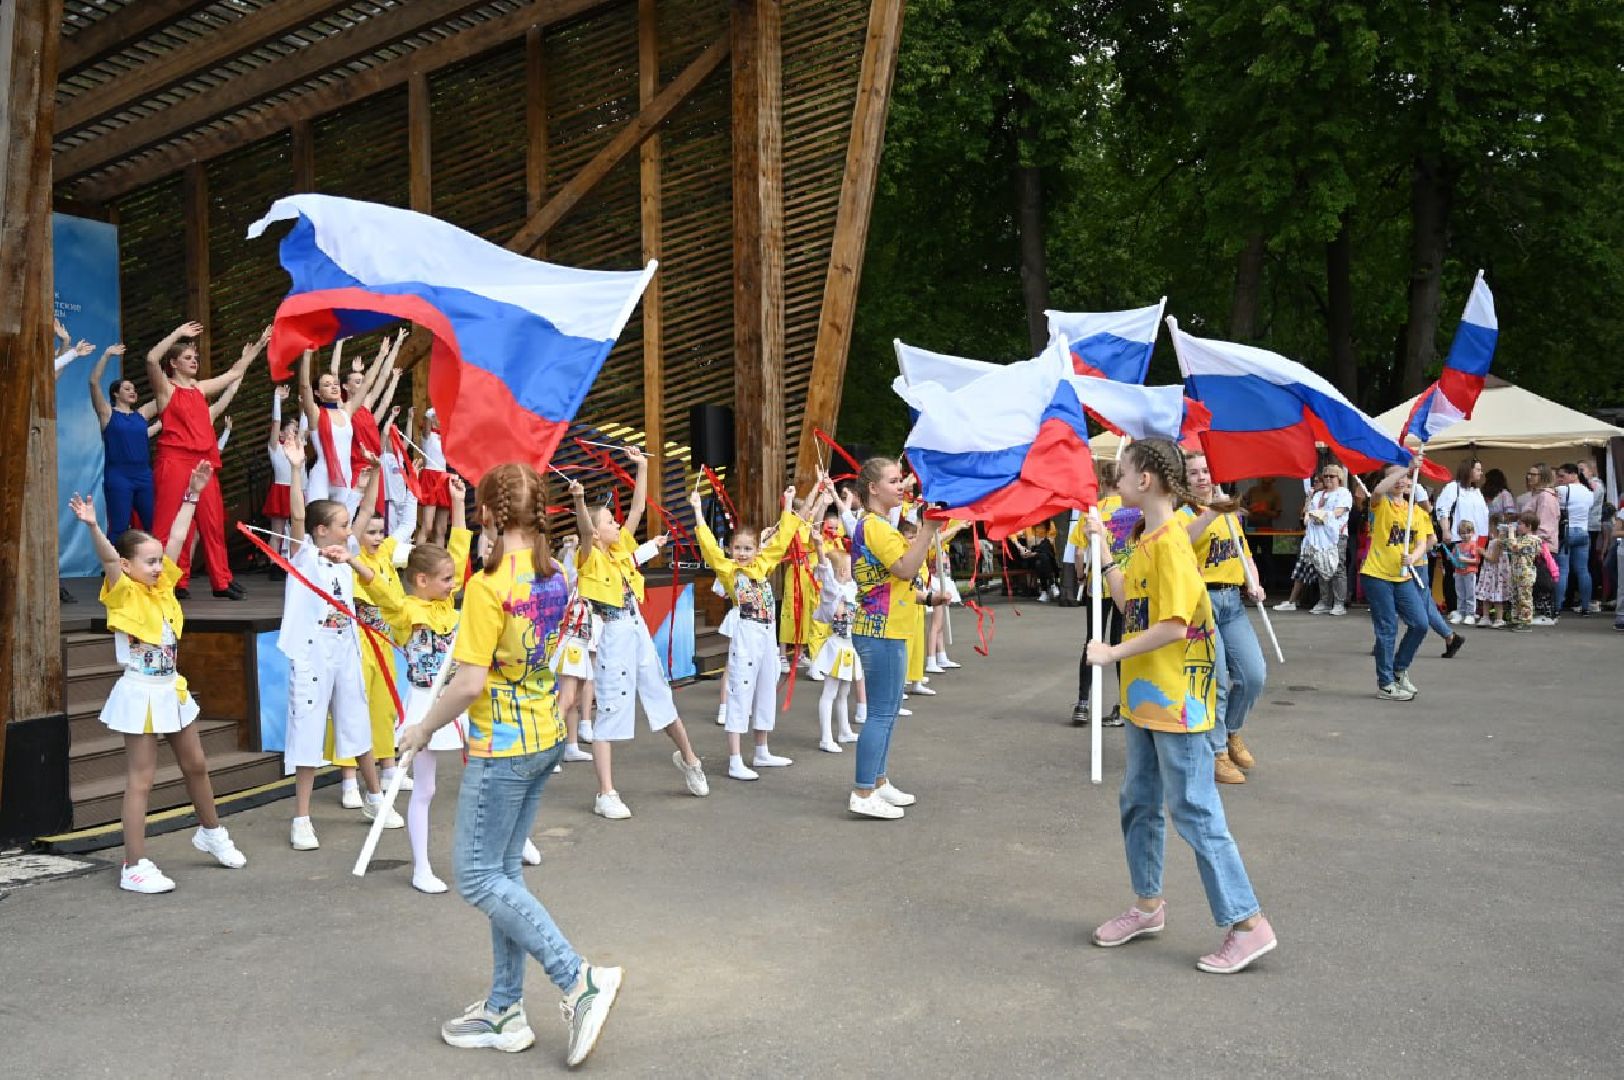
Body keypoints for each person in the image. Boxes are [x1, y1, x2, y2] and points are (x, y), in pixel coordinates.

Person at [395, 463, 622, 1067]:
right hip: (544, 734)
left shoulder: (489, 587)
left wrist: (420, 728)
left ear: (491, 513)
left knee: (476, 876)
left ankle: (577, 978)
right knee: (502, 875)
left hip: (503, 746)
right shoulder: (554, 575)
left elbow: (468, 684)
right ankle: (504, 1008)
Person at [1082, 437, 1275, 975]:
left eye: (1121, 472)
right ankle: (1147, 907)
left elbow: (1173, 626)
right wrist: (1103, 555)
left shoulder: (1169, 544)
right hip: (1146, 699)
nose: (1114, 480)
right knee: (1139, 802)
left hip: (1180, 701)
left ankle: (1248, 923)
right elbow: (1131, 604)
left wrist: (1111, 652)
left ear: (1145, 479)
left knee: (1193, 809)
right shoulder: (1147, 540)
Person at [70, 464, 248, 893]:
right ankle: (134, 865)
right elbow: (109, 559)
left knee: (197, 765)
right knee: (141, 779)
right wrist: (95, 528)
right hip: (140, 692)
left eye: (157, 561)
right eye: (148, 562)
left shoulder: (162, 588)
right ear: (128, 566)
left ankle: (211, 832)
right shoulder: (122, 590)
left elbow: (177, 539)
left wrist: (191, 494)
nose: (157, 566)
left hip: (171, 688)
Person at [571, 447, 709, 819]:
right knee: (611, 712)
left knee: (661, 699)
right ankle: (606, 792)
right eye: (609, 523)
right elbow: (585, 530)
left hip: (638, 632)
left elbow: (636, 511)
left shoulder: (620, 551)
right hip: (613, 635)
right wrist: (580, 500)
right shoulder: (590, 556)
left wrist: (643, 467)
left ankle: (691, 759)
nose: (617, 525)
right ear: (597, 533)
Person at [278, 436, 401, 851]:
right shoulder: (305, 555)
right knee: (308, 733)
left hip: (346, 649)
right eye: (343, 525)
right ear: (320, 531)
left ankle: (374, 797)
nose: (351, 531)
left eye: (350, 525)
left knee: (356, 723)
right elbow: (298, 515)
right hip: (312, 655)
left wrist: (375, 476)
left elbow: (367, 512)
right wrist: (296, 468)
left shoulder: (347, 557)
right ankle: (301, 818)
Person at [690, 481, 815, 779]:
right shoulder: (729, 569)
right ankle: (735, 758)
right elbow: (708, 546)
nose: (743, 553)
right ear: (730, 550)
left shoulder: (762, 564)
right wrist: (697, 510)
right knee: (740, 691)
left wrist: (787, 504)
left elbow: (784, 536)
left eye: (747, 548)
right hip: (745, 633)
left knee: (765, 690)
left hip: (766, 634)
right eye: (738, 548)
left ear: (757, 549)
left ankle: (761, 751)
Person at [847, 457, 940, 820]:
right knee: (882, 713)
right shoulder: (877, 527)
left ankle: (878, 781)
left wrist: (929, 597)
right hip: (879, 629)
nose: (900, 486)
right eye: (892, 481)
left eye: (900, 480)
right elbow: (904, 568)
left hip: (886, 626)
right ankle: (863, 789)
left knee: (885, 713)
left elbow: (892, 581)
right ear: (872, 488)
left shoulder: (879, 526)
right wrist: (929, 532)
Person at [146, 321, 265, 599]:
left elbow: (235, 372)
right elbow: (151, 358)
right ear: (173, 364)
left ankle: (221, 581)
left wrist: (258, 346)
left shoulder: (199, 389)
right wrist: (178, 334)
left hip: (204, 463)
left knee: (211, 522)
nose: (194, 361)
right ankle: (169, 580)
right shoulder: (166, 390)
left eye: (195, 358)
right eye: (187, 358)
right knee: (169, 523)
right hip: (175, 460)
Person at [394, 491, 473, 894]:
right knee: (424, 787)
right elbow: (379, 589)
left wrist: (458, 504)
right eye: (446, 580)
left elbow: (458, 546)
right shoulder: (407, 611)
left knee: (487, 773)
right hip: (425, 703)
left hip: (460, 699)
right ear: (421, 580)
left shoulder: (449, 607)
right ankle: (420, 866)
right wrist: (356, 560)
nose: (453, 584)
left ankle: (510, 842)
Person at [1182, 451, 1266, 785]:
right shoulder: (1182, 513)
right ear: (1184, 480)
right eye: (1194, 473)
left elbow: (1243, 553)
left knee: (1253, 674)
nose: (1202, 477)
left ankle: (1231, 731)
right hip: (1200, 603)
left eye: (1206, 471)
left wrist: (1254, 583)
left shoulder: (1231, 515)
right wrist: (1214, 511)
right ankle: (1216, 751)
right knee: (1215, 681)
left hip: (1232, 601)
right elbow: (1183, 539)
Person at [329, 459, 407, 809]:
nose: (377, 537)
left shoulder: (387, 555)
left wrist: (380, 473)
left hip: (384, 638)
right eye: (370, 532)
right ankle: (348, 780)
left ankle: (389, 769)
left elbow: (408, 523)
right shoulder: (353, 556)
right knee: (352, 707)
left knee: (384, 705)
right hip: (357, 639)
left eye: (379, 531)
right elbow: (353, 520)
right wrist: (366, 484)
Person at [1360, 466, 1432, 700]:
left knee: (1420, 623)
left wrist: (1414, 556)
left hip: (1403, 576)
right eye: (1395, 477)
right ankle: (1385, 683)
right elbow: (1378, 490)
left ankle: (1399, 669)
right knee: (1387, 628)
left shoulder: (1417, 512)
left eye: (1406, 477)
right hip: (1377, 574)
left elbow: (1423, 541)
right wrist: (1406, 468)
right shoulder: (1381, 504)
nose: (1401, 481)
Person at [1071, 463, 1134, 728]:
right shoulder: (1134, 510)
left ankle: (1083, 703)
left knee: (1092, 640)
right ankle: (1124, 705)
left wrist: (1081, 577)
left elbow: (1077, 553)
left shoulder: (1092, 513)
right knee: (1122, 643)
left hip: (1097, 585)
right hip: (1125, 584)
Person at [88, 344, 160, 537]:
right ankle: (116, 568)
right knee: (119, 528)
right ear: (115, 394)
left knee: (154, 526)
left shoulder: (141, 415)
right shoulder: (107, 413)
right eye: (127, 388)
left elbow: (165, 392)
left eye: (134, 389)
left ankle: (154, 566)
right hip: (119, 476)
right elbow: (94, 382)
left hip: (144, 475)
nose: (132, 391)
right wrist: (106, 354)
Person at [810, 525, 863, 752]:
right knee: (830, 693)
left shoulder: (851, 588)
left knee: (844, 692)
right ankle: (826, 737)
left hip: (851, 647)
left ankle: (844, 730)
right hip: (837, 646)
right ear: (842, 572)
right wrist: (820, 547)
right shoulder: (833, 593)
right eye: (849, 568)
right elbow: (825, 572)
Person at [1433, 459, 1489, 615]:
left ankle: (1471, 608)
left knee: (1472, 575)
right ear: (1468, 470)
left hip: (1477, 539)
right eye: (1478, 469)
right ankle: (1454, 607)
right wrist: (1446, 530)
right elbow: (1443, 509)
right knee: (1455, 574)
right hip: (1457, 538)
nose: (1480, 472)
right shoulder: (1453, 488)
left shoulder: (1476, 491)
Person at [1304, 465, 1353, 614]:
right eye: (1325, 476)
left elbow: (1339, 511)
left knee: (1337, 567)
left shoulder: (1344, 493)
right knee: (1321, 567)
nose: (1328, 479)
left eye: (1332, 476)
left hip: (1337, 534)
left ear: (1339, 478)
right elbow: (1308, 511)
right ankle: (1324, 601)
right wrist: (1309, 505)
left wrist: (1320, 515)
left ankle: (1339, 603)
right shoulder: (1318, 495)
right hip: (1319, 537)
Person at [1517, 464, 1560, 623]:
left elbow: (1545, 525)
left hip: (1542, 546)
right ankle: (1539, 612)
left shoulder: (1546, 497)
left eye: (1533, 474)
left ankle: (1546, 614)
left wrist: (1535, 542)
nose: (1529, 477)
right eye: (1529, 473)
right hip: (1535, 544)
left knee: (1542, 580)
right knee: (1536, 579)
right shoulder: (1537, 495)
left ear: (1543, 476)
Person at [1487, 512, 1543, 632]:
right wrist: (1503, 533)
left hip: (1525, 573)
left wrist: (1511, 533)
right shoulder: (1521, 538)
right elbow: (1504, 544)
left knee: (1524, 598)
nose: (1518, 526)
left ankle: (1526, 621)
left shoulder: (1533, 539)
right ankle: (1516, 620)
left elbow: (1514, 547)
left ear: (1529, 526)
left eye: (1521, 524)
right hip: (1516, 572)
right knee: (1515, 597)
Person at [263, 385, 300, 566]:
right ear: (283, 432)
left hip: (295, 491)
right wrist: (277, 400)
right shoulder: (275, 447)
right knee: (277, 533)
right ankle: (274, 565)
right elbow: (276, 422)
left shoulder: (298, 448)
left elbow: (308, 429)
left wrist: (306, 406)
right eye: (293, 429)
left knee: (297, 532)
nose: (295, 432)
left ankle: (295, 565)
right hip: (280, 490)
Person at [1553, 463, 1595, 615]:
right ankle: (1586, 607)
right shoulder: (1589, 492)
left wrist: (1556, 485)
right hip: (1583, 531)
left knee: (1563, 570)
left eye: (1562, 476)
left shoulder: (1563, 490)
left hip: (1566, 531)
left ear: (1573, 474)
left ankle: (1557, 607)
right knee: (1583, 571)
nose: (1560, 479)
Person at [1446, 519, 1485, 625]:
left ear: (1472, 533)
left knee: (1470, 594)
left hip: (1470, 572)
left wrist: (1464, 559)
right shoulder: (1457, 546)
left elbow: (1477, 560)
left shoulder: (1473, 545)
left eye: (1468, 532)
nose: (1465, 535)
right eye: (1462, 533)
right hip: (1458, 572)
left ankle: (1470, 614)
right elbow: (1454, 559)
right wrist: (1451, 558)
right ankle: (1461, 613)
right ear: (1459, 534)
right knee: (1460, 594)